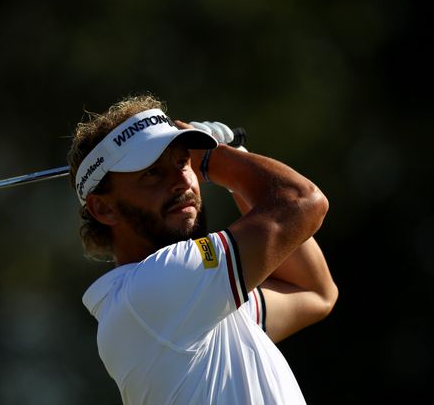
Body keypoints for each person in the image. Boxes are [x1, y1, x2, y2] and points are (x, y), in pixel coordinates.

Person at [67, 94, 338, 404]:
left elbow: (314, 292)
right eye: (152, 172)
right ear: (104, 208)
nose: (183, 180)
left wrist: (235, 166)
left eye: (184, 161)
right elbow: (303, 202)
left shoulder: (193, 301)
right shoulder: (153, 289)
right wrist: (216, 158)